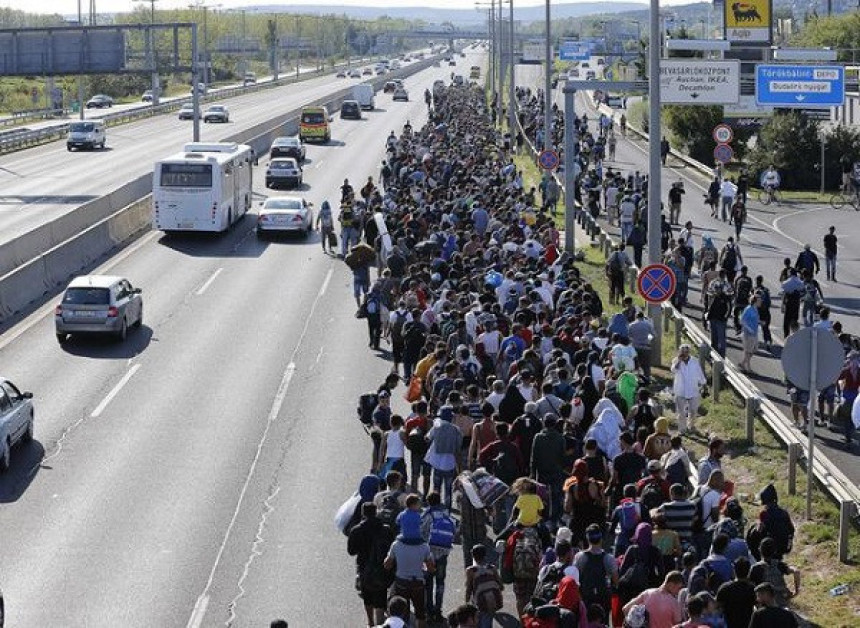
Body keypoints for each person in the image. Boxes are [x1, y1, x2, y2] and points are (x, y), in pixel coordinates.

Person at [347, 503, 396, 626]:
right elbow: (392, 547)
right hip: (382, 568)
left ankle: (370, 622)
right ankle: (379, 623)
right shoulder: (386, 529)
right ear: (376, 512)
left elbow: (351, 551)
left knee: (367, 597)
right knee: (380, 597)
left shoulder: (356, 530)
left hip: (364, 568)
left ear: (363, 513)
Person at [384, 523, 435, 628]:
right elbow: (431, 568)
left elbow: (387, 565)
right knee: (420, 614)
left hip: (401, 584)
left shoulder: (396, 544)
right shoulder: (424, 546)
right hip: (418, 584)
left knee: (401, 612)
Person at [421, 491, 457, 623]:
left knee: (428, 583)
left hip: (429, 555)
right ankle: (438, 610)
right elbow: (454, 531)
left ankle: (428, 611)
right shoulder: (446, 513)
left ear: (429, 502)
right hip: (443, 554)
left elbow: (421, 532)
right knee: (440, 582)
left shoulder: (427, 514)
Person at [425, 405, 463, 509]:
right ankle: (447, 510)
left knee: (436, 488)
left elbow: (427, 438)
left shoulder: (436, 426)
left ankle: (434, 508)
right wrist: (459, 468)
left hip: (437, 463)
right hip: (450, 464)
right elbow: (458, 449)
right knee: (448, 489)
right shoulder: (456, 430)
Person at [464, 544, 503, 628]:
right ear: (485, 555)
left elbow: (469, 588)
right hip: (492, 600)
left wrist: (466, 601)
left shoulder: (471, 570)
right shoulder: (492, 568)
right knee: (487, 621)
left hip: (479, 601)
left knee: (479, 621)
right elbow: (501, 585)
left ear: (473, 556)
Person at [670, 344, 706, 434]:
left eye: (686, 352)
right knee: (681, 412)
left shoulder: (694, 361)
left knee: (693, 410)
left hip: (693, 389)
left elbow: (699, 372)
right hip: (680, 390)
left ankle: (691, 426)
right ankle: (682, 429)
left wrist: (703, 383)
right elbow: (673, 370)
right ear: (680, 352)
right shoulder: (676, 360)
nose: (684, 354)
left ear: (689, 352)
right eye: (682, 352)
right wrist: (679, 360)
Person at [715, 557, 756, 628]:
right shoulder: (752, 589)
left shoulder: (725, 588)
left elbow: (717, 608)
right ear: (749, 571)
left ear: (734, 570)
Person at [738, 295, 760, 372]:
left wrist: (760, 322)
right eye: (759, 301)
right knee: (748, 351)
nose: (760, 302)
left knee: (754, 349)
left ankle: (743, 363)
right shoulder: (748, 309)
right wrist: (749, 329)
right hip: (749, 334)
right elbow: (742, 320)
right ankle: (747, 367)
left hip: (755, 333)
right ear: (755, 301)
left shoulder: (755, 309)